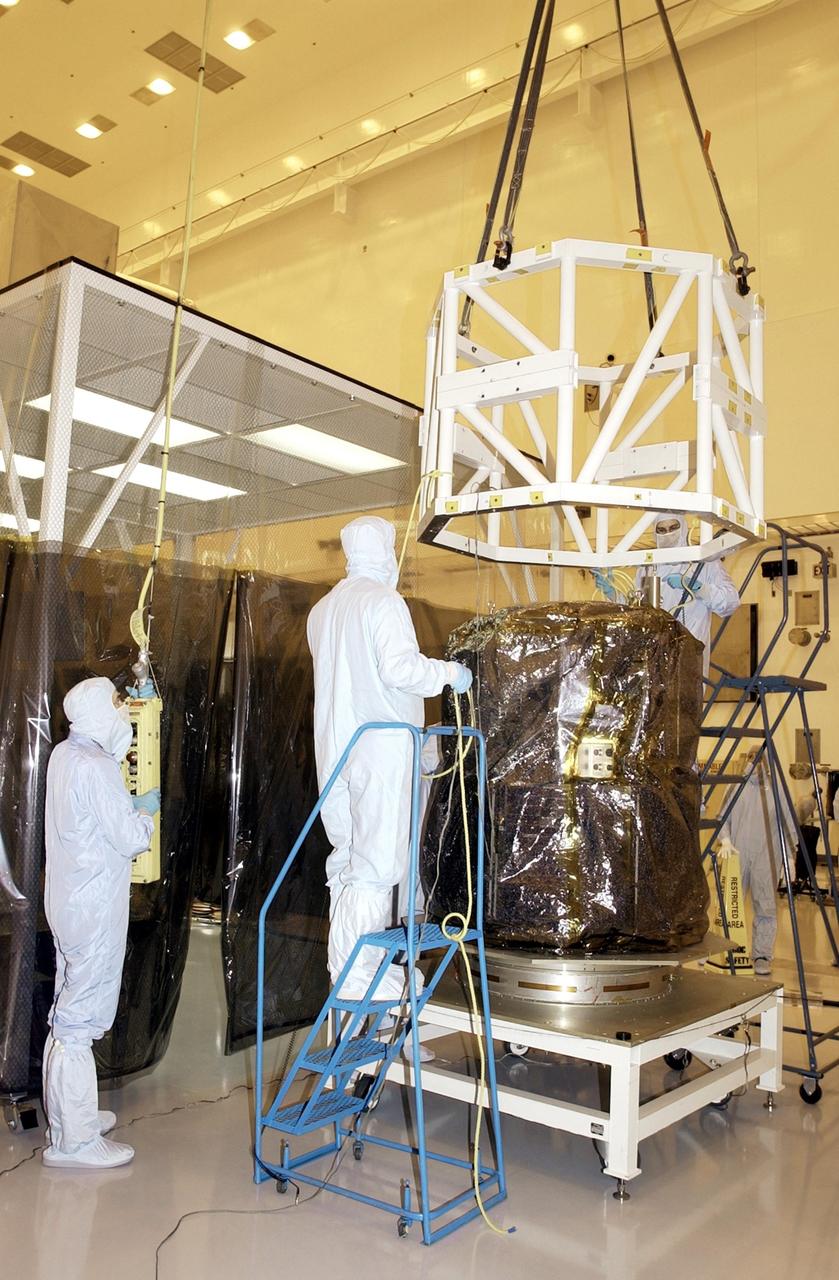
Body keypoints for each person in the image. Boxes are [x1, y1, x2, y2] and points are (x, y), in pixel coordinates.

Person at [307, 516, 471, 1005]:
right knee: (377, 867)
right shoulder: (383, 601)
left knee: (349, 860)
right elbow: (400, 670)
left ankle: (349, 972)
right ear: (385, 552)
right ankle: (361, 982)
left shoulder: (323, 610)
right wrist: (451, 674)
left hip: (335, 746)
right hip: (379, 749)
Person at [42, 677, 161, 1169]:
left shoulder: (66, 756)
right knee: (78, 1021)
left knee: (65, 1008)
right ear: (96, 712)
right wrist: (147, 812)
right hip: (92, 907)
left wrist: (126, 806)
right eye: (116, 705)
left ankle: (70, 1117)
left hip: (69, 901)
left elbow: (90, 819)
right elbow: (130, 838)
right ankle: (75, 1142)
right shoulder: (98, 766)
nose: (121, 715)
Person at [595, 513, 740, 675]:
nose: (668, 534)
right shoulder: (648, 567)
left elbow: (731, 602)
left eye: (673, 528)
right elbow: (637, 611)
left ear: (684, 528)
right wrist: (612, 592)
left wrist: (697, 588)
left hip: (688, 658)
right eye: (661, 530)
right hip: (654, 657)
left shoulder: (705, 563)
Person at [718, 752, 796, 976]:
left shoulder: (778, 789)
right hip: (736, 854)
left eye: (761, 758)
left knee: (766, 907)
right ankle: (723, 951)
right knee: (729, 906)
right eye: (753, 757)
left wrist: (790, 856)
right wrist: (725, 839)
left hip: (767, 856)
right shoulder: (735, 786)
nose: (757, 763)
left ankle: (762, 955)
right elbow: (722, 818)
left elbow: (788, 823)